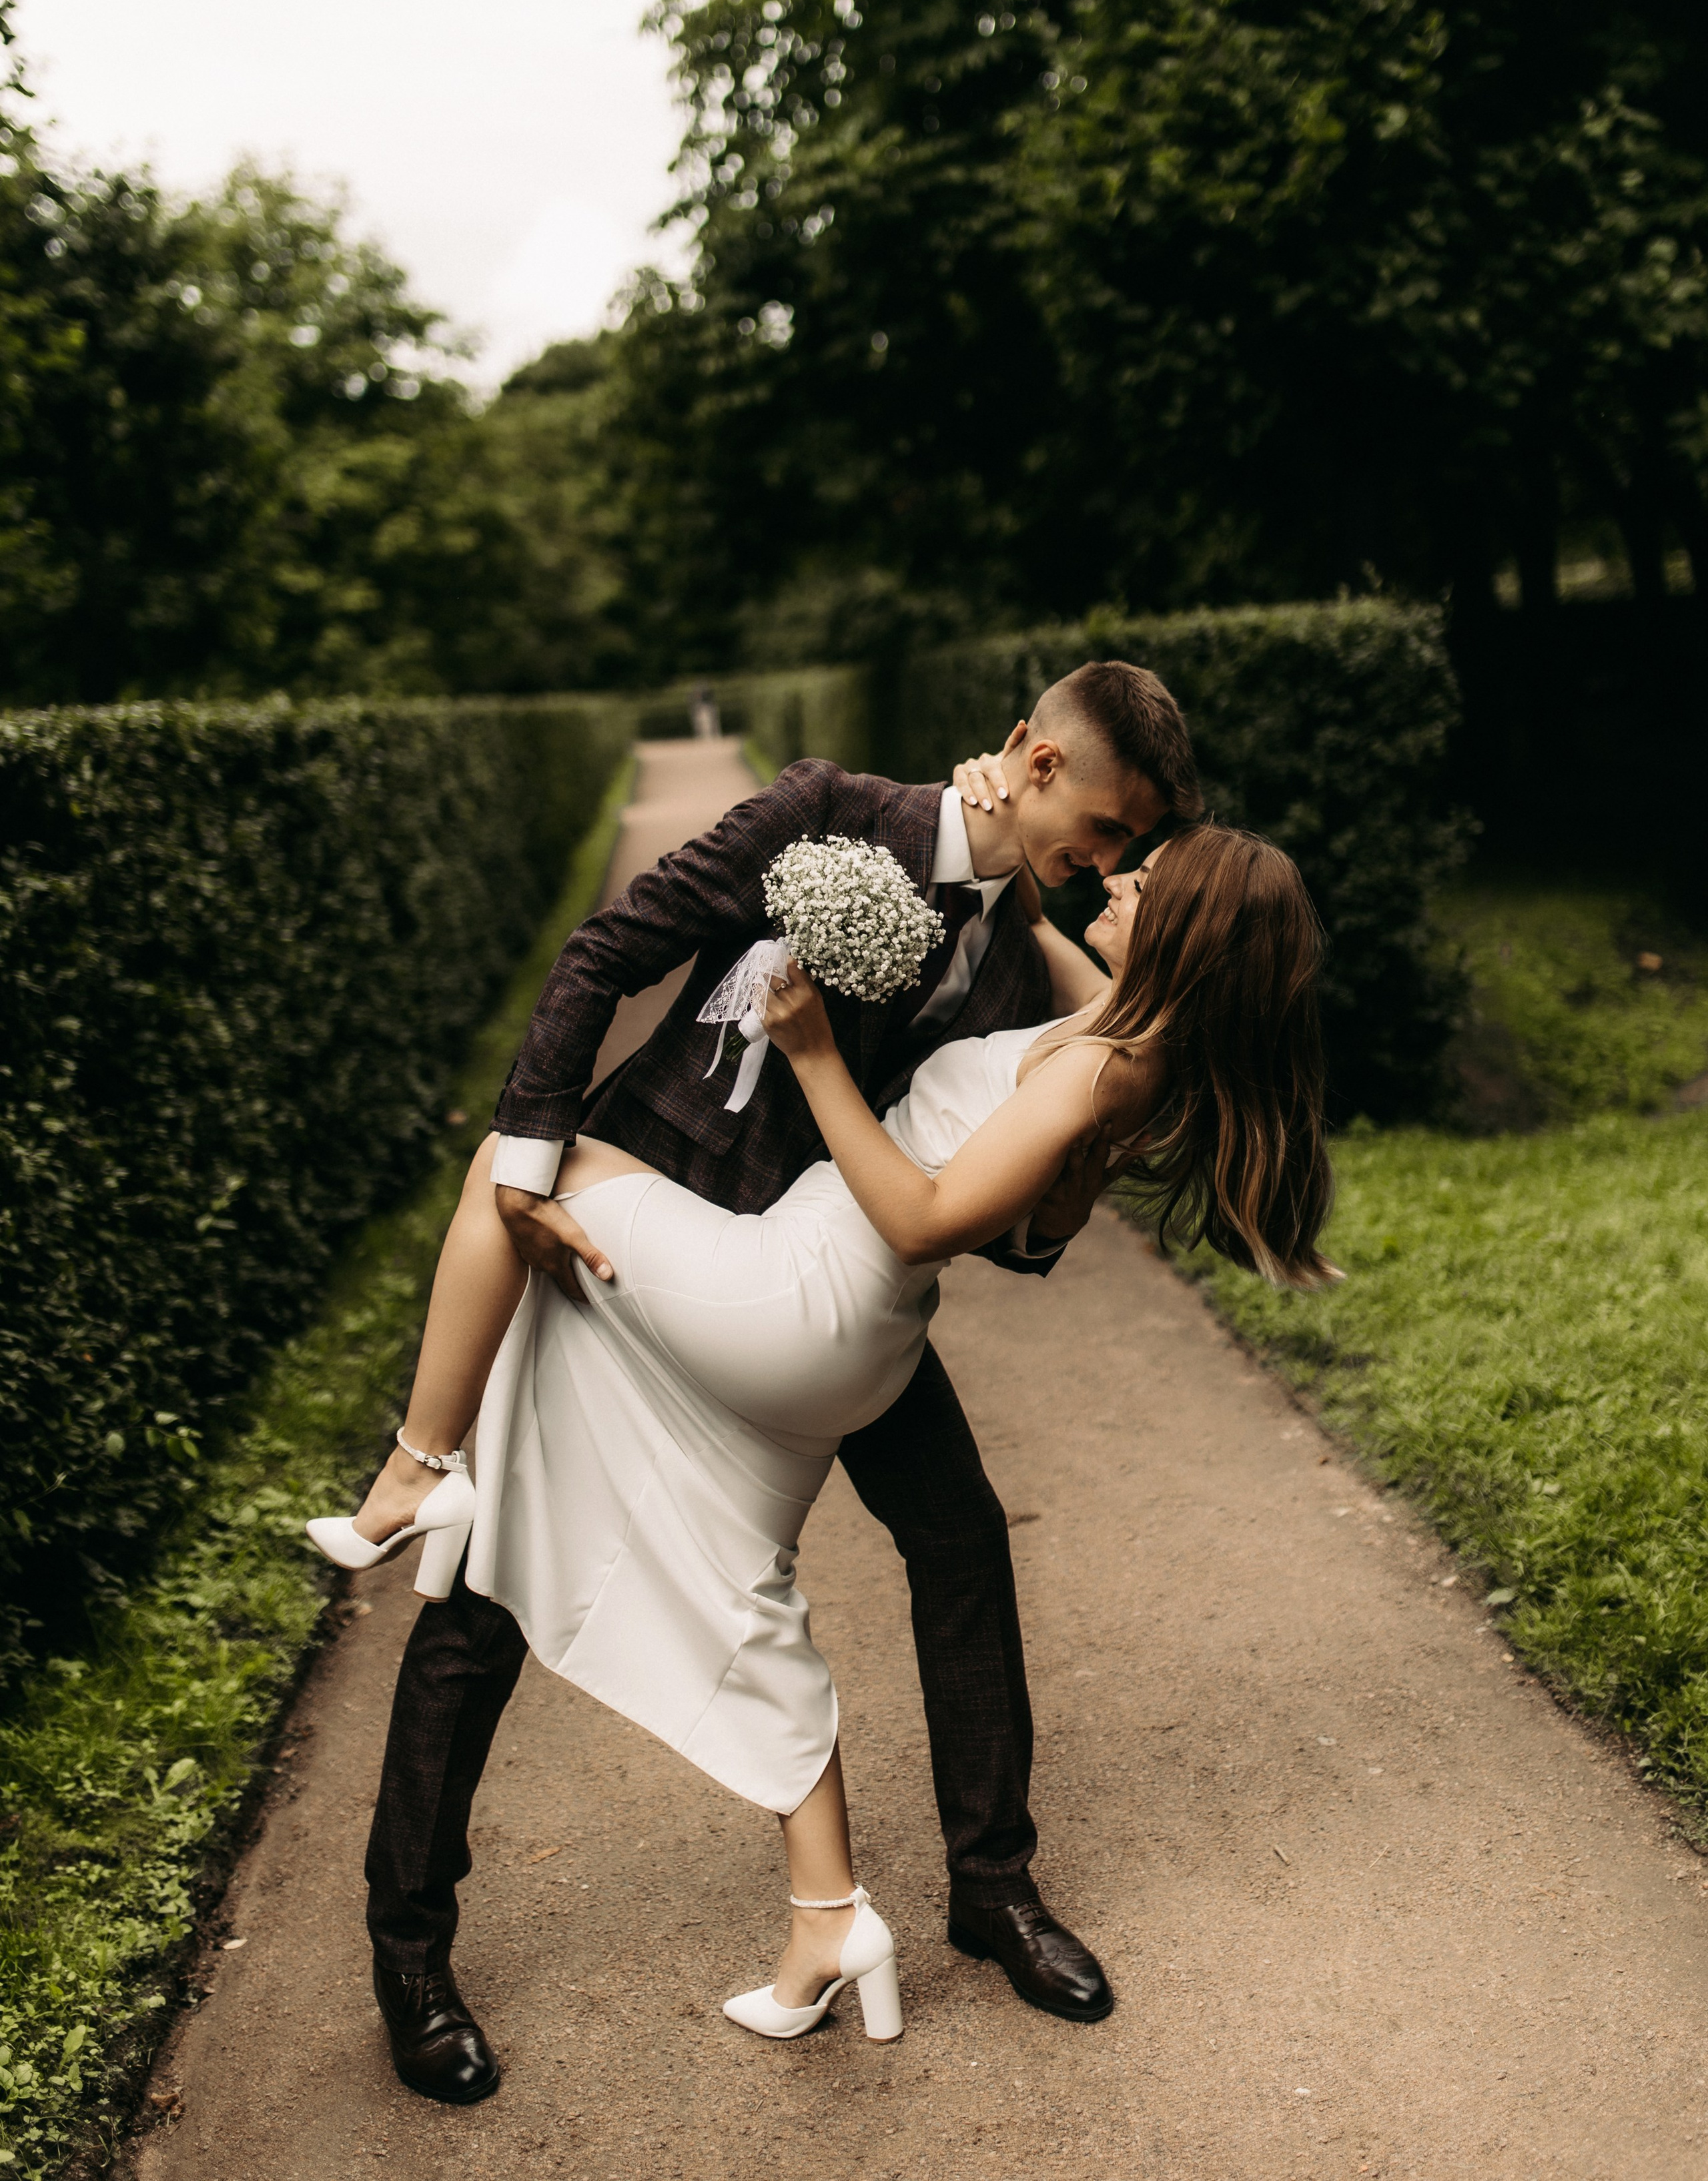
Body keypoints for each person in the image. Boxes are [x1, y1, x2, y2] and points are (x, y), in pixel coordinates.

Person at [329, 661, 1207, 2102]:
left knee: (961, 1534)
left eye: (1132, 846)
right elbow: (602, 954)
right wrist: (529, 1175)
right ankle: (409, 1957)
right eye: (1106, 828)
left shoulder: (1017, 954)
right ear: (1032, 760)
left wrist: (1068, 1187)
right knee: (484, 1583)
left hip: (826, 1288)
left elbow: (1000, 1203)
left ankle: (992, 1889)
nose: (1107, 859)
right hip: (647, 1237)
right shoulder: (825, 814)